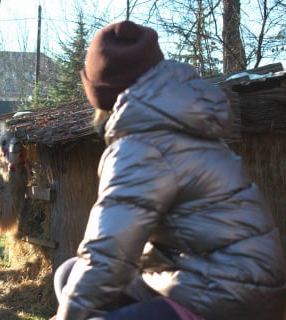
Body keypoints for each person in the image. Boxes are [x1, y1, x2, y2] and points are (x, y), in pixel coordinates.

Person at [51, 20, 286, 320]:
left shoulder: (141, 145)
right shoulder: (176, 121)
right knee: (68, 273)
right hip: (241, 284)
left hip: (226, 298)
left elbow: (108, 254)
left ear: (102, 93)